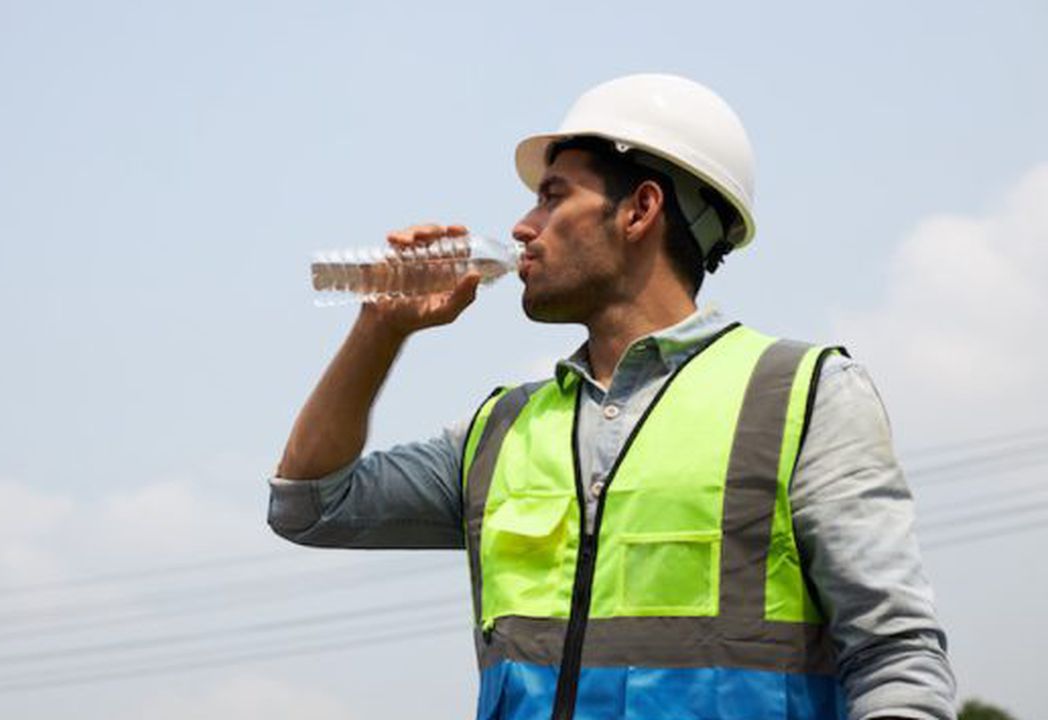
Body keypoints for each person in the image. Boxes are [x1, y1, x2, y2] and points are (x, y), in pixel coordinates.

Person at [267, 74, 956, 720]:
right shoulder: (501, 430)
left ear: (641, 209)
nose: (521, 227)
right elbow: (307, 504)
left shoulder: (804, 399)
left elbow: (895, 657)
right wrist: (379, 329)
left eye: (553, 195)